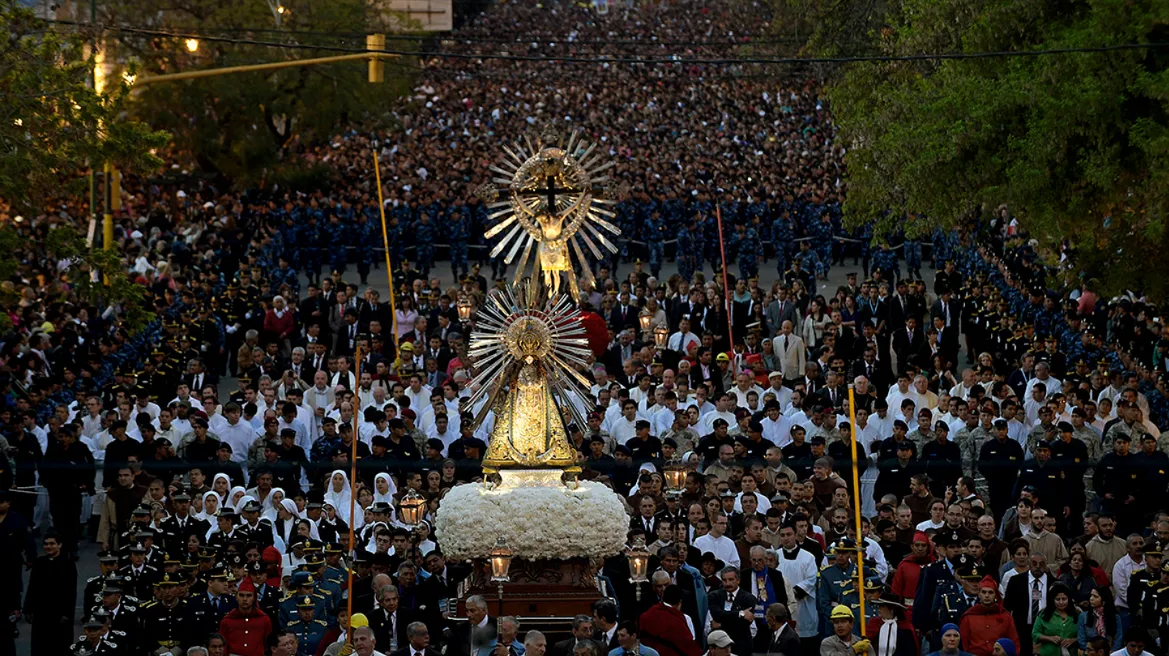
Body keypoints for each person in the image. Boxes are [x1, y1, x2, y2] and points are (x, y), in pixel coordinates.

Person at [23, 532, 77, 656]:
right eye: (46, 544)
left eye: (52, 544)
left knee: (60, 648)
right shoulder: (39, 563)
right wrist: (28, 609)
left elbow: (71, 591)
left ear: (60, 545)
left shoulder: (68, 564)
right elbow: (32, 587)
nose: (49, 547)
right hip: (41, 615)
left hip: (60, 616)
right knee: (40, 648)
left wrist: (67, 614)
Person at [959, 576, 1020, 656]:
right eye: (983, 592)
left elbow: (1014, 642)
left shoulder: (1006, 616)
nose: (987, 595)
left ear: (996, 595)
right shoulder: (968, 616)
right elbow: (963, 643)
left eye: (990, 592)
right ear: (979, 594)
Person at [219, 576, 273, 656]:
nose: (244, 599)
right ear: (236, 597)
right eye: (241, 595)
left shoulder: (264, 619)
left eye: (248, 596)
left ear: (254, 598)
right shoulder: (227, 620)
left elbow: (268, 644)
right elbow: (222, 645)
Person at [1031, 584, 1078, 656]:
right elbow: (1035, 634)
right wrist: (1049, 638)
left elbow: (1084, 635)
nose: (1061, 602)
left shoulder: (1077, 614)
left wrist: (1073, 640)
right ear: (1052, 600)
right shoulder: (1044, 614)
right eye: (1058, 599)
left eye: (1064, 599)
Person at [1076, 587, 1122, 651]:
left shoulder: (1115, 618)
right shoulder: (1083, 616)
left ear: (1104, 600)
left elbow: (1118, 640)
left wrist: (1109, 653)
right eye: (1091, 595)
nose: (1091, 598)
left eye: (1095, 596)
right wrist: (1094, 652)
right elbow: (1081, 640)